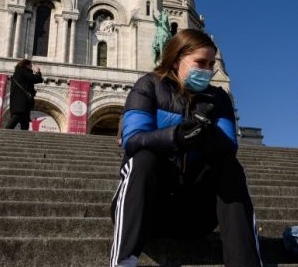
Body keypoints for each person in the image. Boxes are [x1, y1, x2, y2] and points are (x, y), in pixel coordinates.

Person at [109, 29, 262, 267]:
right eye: (200, 62)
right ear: (176, 58)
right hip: (148, 212)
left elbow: (229, 146)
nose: (208, 70)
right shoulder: (148, 85)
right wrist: (177, 136)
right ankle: (123, 261)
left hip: (195, 216)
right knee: (143, 158)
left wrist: (204, 135)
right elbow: (133, 139)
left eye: (211, 64)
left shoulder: (218, 97)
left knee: (230, 167)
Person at [6, 59, 43, 130]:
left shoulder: (18, 72)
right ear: (26, 65)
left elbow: (28, 82)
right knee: (17, 116)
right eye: (31, 65)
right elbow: (36, 79)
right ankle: (5, 132)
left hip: (18, 100)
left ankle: (24, 136)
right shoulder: (23, 70)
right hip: (22, 100)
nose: (31, 67)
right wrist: (38, 71)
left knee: (25, 121)